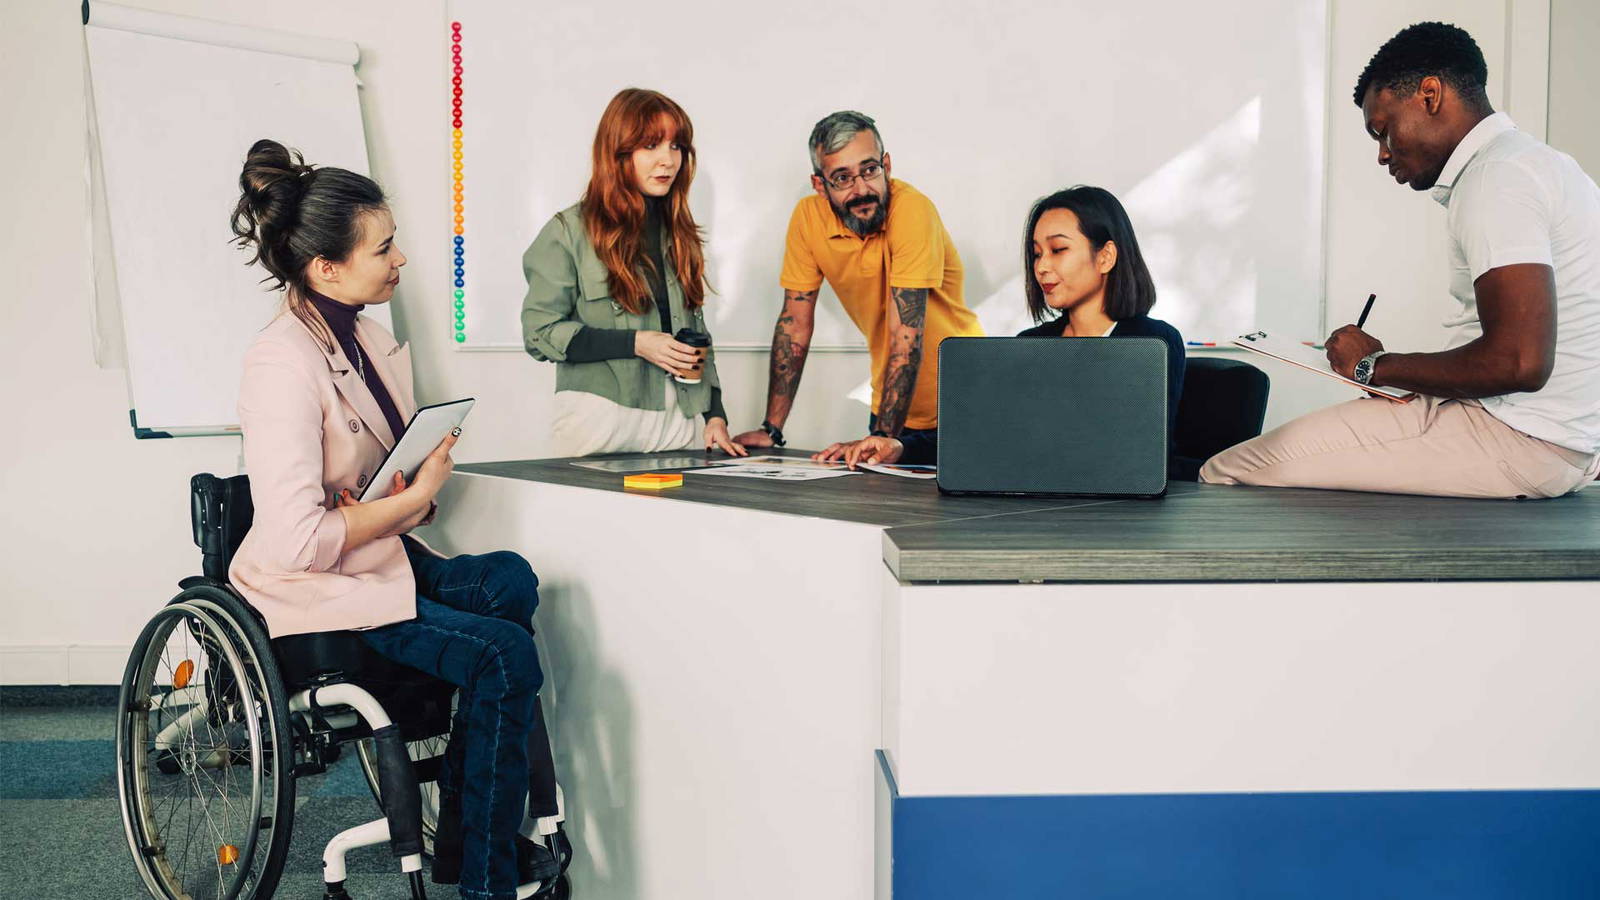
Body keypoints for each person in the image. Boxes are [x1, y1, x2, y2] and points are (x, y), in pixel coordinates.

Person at [228, 139, 564, 899]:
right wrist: (406, 503)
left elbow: (370, 482)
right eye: (384, 248)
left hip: (376, 556)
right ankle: (481, 874)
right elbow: (299, 540)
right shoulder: (280, 363)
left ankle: (465, 828)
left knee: (509, 578)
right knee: (505, 656)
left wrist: (404, 488)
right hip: (316, 595)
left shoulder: (365, 337)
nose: (401, 259)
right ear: (326, 268)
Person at [1202, 22, 1600, 498]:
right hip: (1556, 437)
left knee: (1226, 470)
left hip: (1521, 438)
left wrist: (1375, 365)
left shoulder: (1498, 179)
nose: (1382, 154)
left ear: (1430, 94)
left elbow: (1520, 363)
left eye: (1383, 130)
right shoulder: (1541, 164)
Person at [732, 110, 983, 466]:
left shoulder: (913, 211)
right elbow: (795, 324)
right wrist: (772, 429)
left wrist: (882, 438)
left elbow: (905, 335)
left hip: (967, 406)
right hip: (891, 412)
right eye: (842, 178)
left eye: (869, 170)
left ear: (887, 165)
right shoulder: (807, 219)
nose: (862, 189)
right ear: (820, 185)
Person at [522, 88, 745, 458]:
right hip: (599, 422)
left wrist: (714, 415)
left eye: (676, 146)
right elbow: (539, 333)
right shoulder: (567, 232)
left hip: (680, 425)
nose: (667, 161)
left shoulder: (679, 233)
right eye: (651, 146)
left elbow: (697, 334)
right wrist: (637, 343)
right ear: (617, 152)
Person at [1016, 187, 1184, 424]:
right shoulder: (1029, 345)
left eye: (1058, 250)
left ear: (1105, 257)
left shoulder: (1152, 342)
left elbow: (1142, 443)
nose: (1042, 267)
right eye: (1036, 254)